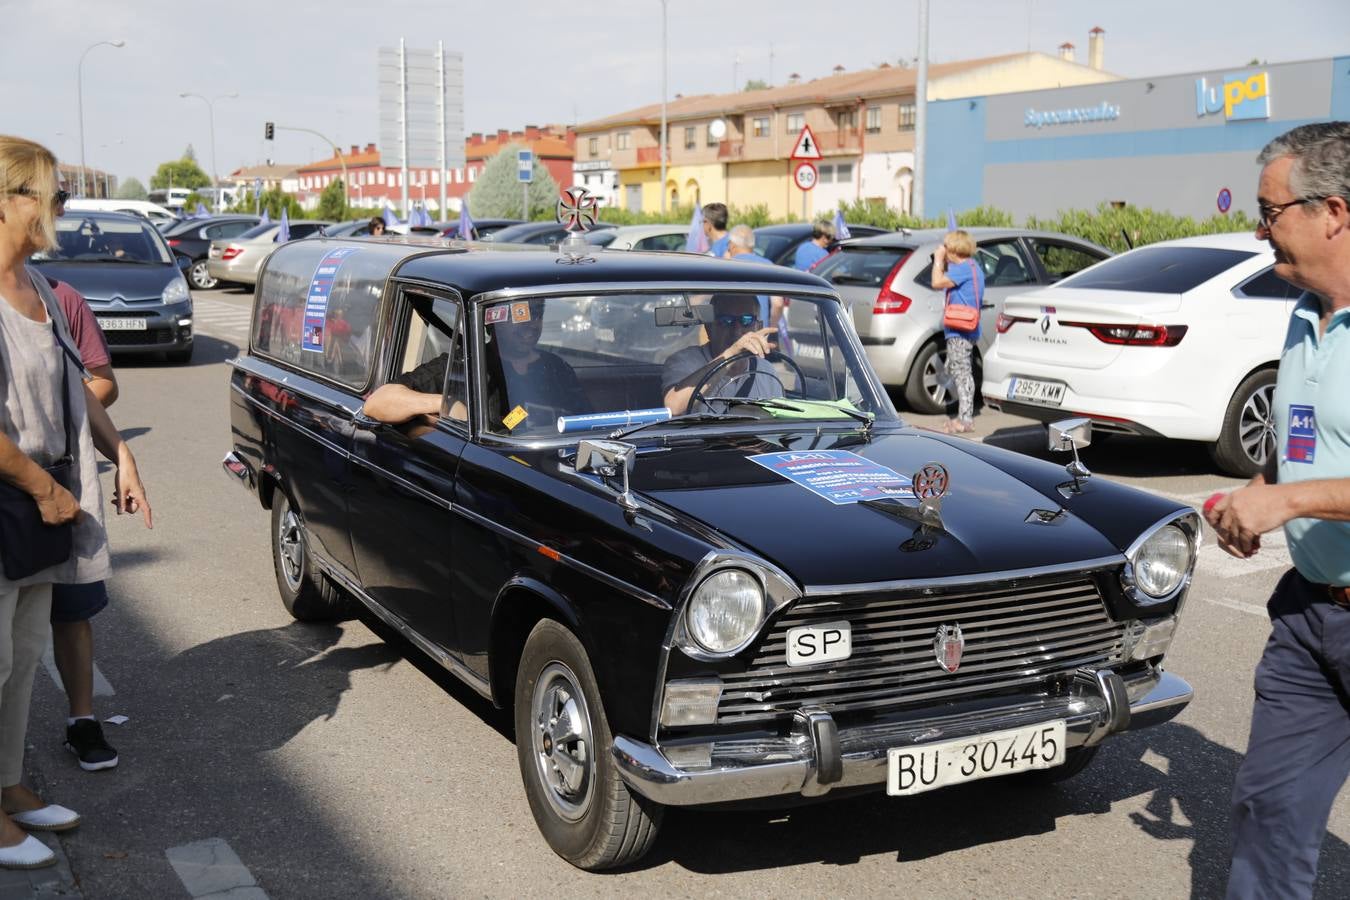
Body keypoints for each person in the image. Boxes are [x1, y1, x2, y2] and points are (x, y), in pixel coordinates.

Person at [1204, 121, 1350, 900]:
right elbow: (1305, 439)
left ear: (1334, 211)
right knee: (1271, 810)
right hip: (1309, 614)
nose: (1260, 230)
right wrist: (1255, 496)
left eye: (1272, 212)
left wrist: (1288, 500)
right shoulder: (1303, 315)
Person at [0, 136, 152, 870]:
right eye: (50, 194)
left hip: (44, 502)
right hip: (13, 498)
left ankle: (10, 787)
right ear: (8, 200)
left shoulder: (41, 289)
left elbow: (75, 388)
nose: (60, 207)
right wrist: (41, 487)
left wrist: (119, 452)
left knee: (25, 657)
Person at [47, 277, 120, 771]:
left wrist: (121, 452)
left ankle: (82, 720)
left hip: (60, 476)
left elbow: (103, 381)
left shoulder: (60, 296)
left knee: (71, 607)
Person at [363, 299, 588, 432]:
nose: (531, 325)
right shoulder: (463, 365)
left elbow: (586, 422)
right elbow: (376, 403)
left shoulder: (556, 369)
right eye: (519, 317)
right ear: (492, 320)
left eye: (536, 316)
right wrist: (447, 403)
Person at [662, 293, 783, 416]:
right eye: (726, 321)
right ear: (709, 328)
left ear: (758, 327)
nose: (737, 330)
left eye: (746, 320)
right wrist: (731, 354)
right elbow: (673, 408)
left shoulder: (767, 372)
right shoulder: (685, 362)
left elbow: (780, 422)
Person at [930, 229, 983, 435]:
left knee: (962, 374)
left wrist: (938, 259)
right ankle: (963, 416)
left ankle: (965, 420)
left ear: (954, 248)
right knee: (961, 371)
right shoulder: (970, 267)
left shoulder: (964, 269)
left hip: (960, 330)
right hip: (964, 328)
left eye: (946, 245)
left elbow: (936, 282)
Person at [727, 224, 784, 328]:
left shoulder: (726, 267)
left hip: (731, 334)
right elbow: (778, 303)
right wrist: (771, 328)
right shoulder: (768, 266)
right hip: (759, 336)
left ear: (732, 245)